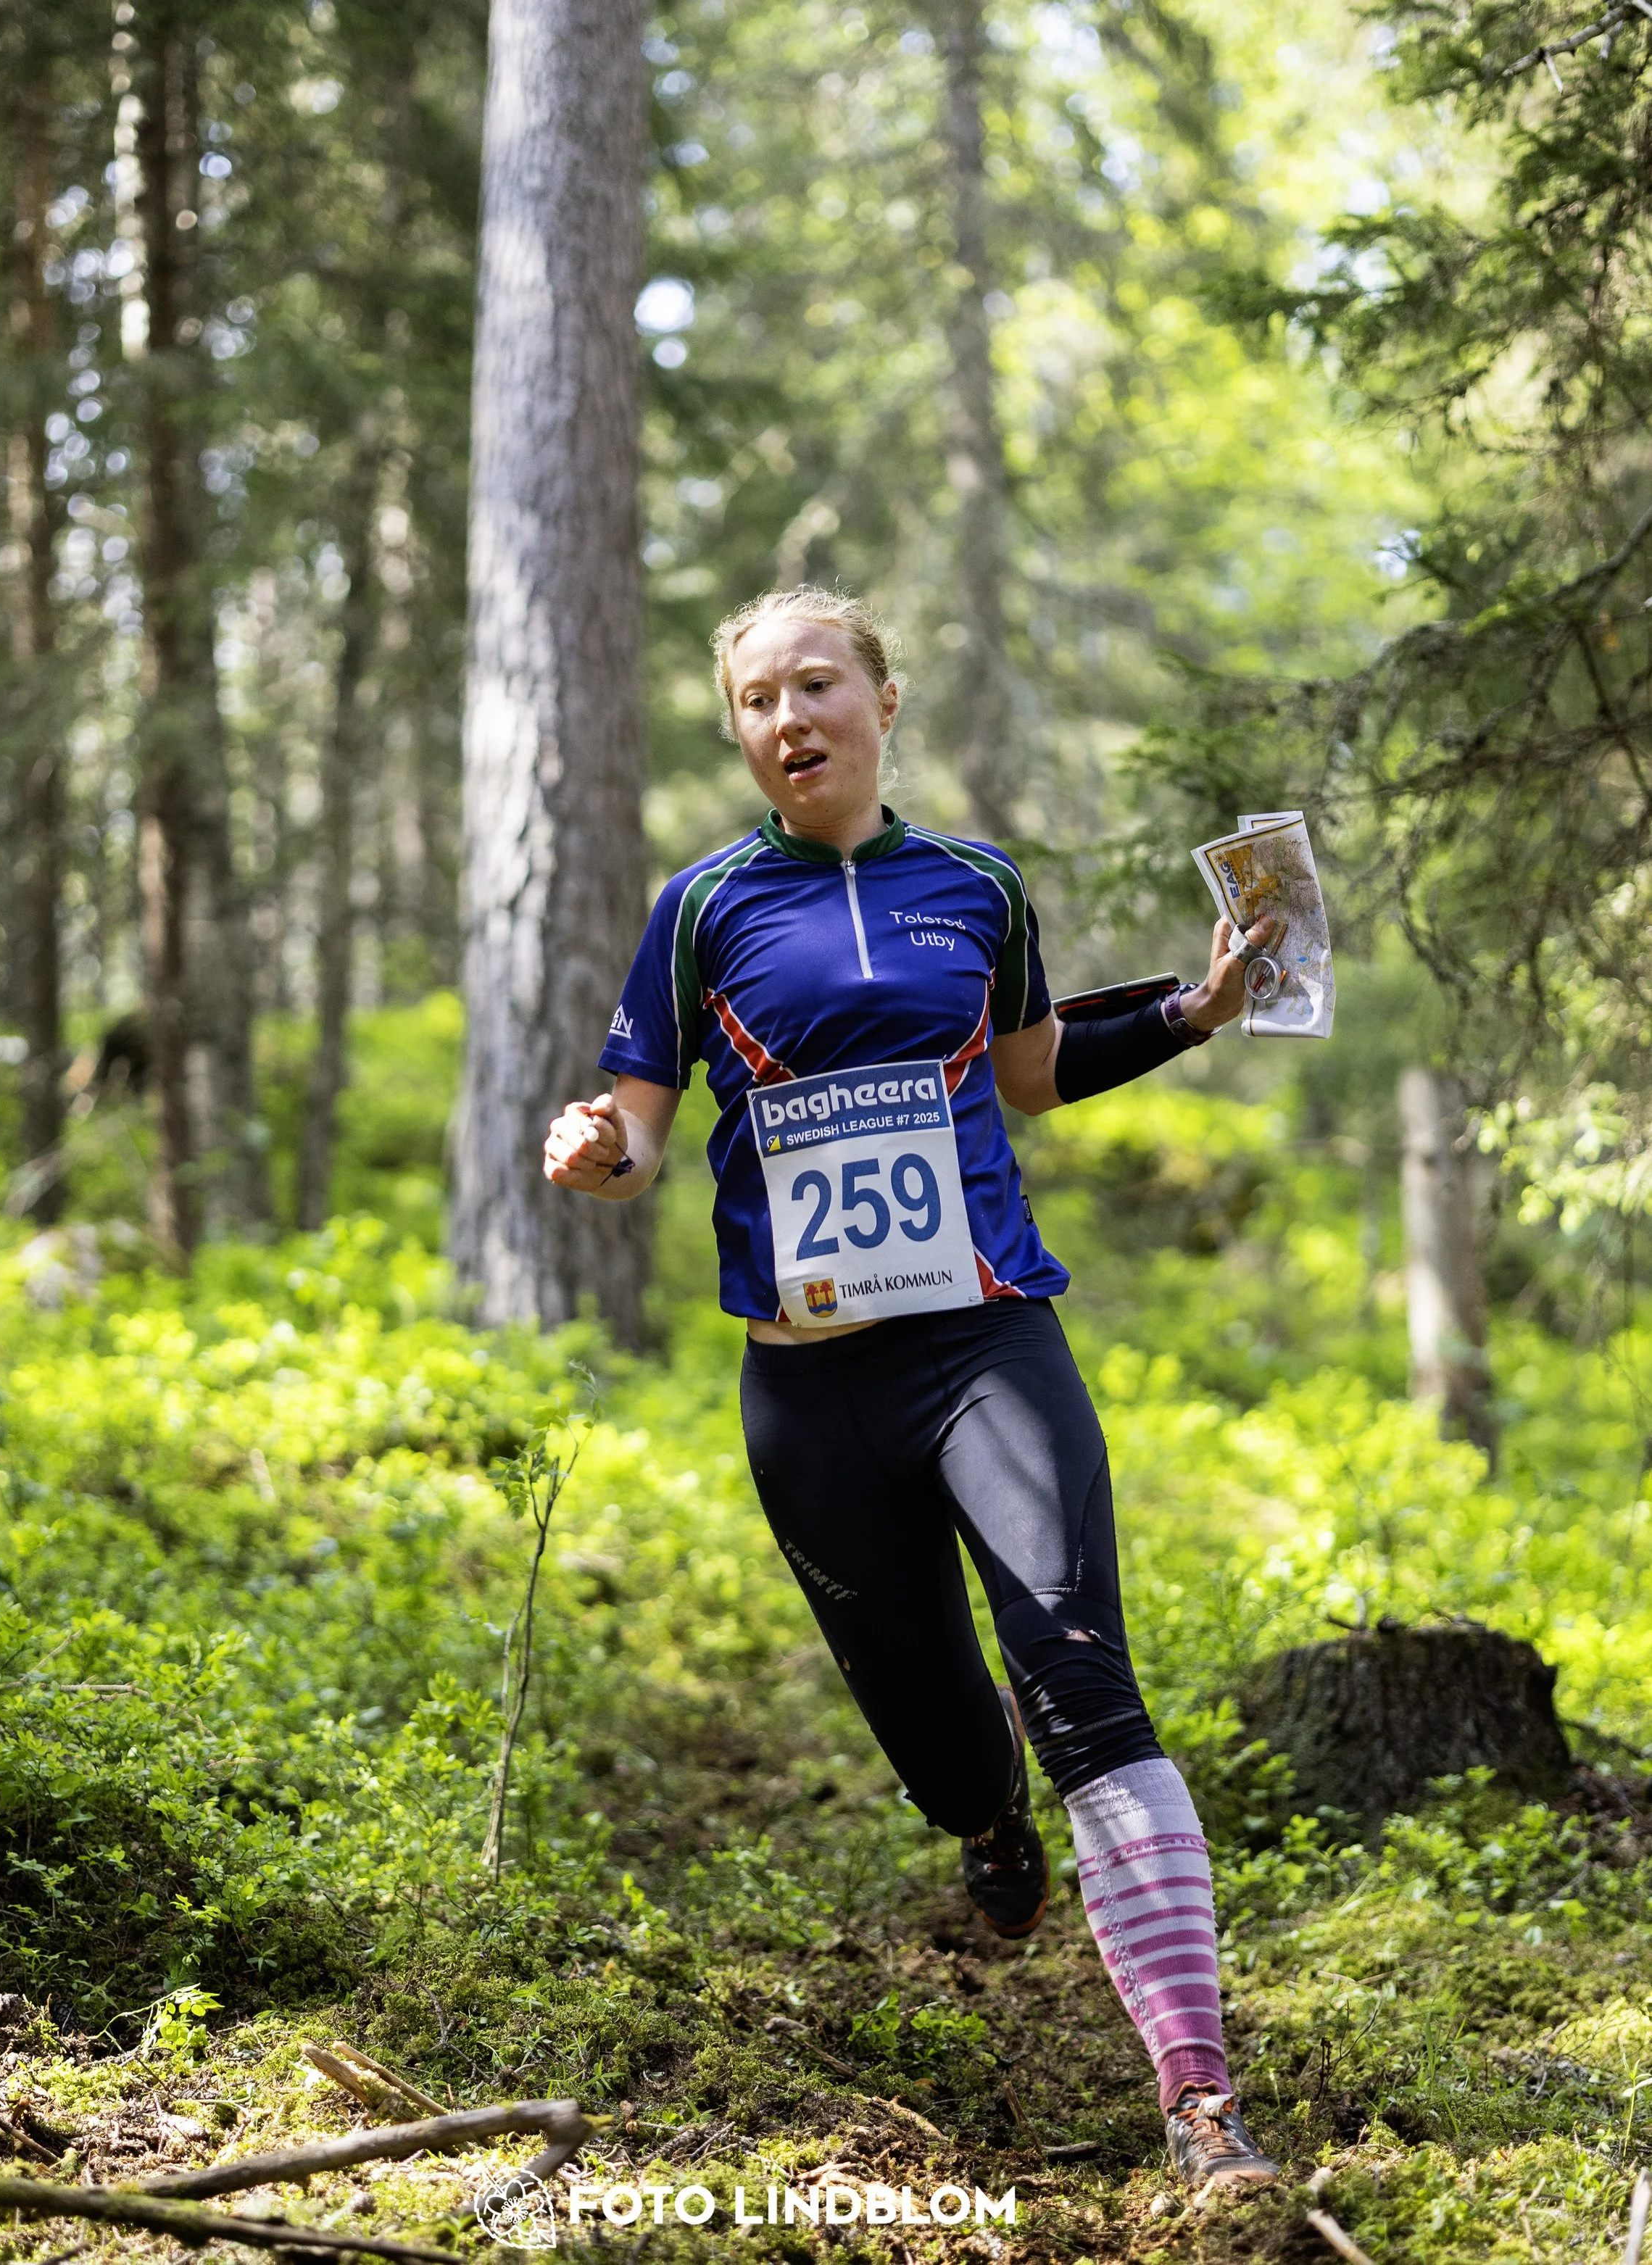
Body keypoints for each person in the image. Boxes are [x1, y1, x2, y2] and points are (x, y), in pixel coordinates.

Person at [542, 586, 1279, 2193]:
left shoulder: (978, 886)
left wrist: (1186, 1010)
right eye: (754, 698)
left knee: (1085, 1681)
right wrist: (602, 1155)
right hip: (808, 1396)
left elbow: (1025, 1074)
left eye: (815, 682)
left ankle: (1201, 2104)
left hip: (980, 1344)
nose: (786, 717)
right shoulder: (700, 906)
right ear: (737, 729)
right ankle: (987, 1822)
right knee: (945, 1743)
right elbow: (643, 1127)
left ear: (881, 698)